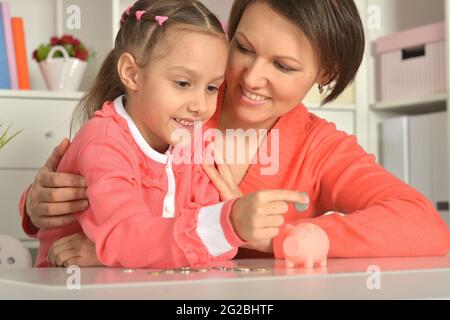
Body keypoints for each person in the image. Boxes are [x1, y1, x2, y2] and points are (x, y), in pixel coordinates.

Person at [20, 0, 450, 267]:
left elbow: (425, 227)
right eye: (243, 48)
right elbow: (106, 186)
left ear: (325, 73)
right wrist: (35, 204)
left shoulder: (319, 147)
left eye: (283, 66)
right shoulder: (179, 98)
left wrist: (277, 238)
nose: (251, 78)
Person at [29, 0, 306, 268]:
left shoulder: (194, 144)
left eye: (211, 88)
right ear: (132, 74)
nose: (199, 105)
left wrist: (115, 253)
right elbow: (128, 235)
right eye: (183, 83)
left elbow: (223, 250)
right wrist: (226, 223)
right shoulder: (104, 142)